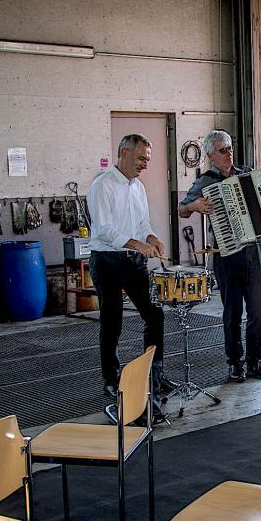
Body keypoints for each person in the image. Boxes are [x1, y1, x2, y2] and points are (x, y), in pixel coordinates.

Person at [179, 130, 261, 383]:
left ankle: (255, 361)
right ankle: (235, 362)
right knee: (232, 311)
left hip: (253, 251)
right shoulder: (205, 182)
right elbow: (181, 209)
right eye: (223, 150)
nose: (229, 154)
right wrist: (194, 206)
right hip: (226, 255)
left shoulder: (249, 175)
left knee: (258, 309)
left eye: (230, 148)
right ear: (210, 155)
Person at [88, 133, 173, 424]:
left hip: (133, 262)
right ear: (123, 153)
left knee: (155, 315)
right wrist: (138, 245)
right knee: (112, 321)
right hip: (107, 261)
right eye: (140, 159)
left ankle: (155, 373)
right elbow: (104, 230)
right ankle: (111, 380)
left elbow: (142, 224)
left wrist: (152, 238)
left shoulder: (138, 188)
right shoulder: (102, 186)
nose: (144, 165)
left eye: (148, 160)